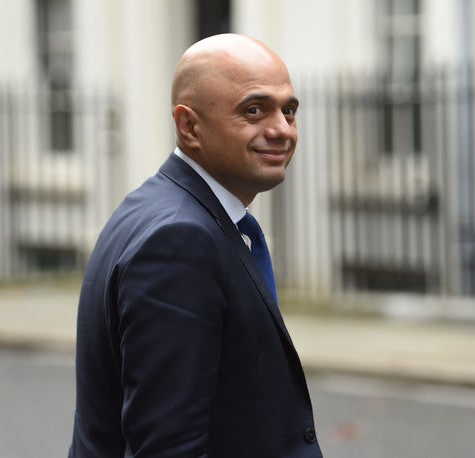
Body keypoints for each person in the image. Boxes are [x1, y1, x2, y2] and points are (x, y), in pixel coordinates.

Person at [68, 34, 322, 457]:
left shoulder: (156, 206)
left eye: (289, 110)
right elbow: (167, 448)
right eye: (254, 110)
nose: (281, 129)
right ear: (189, 126)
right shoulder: (178, 241)